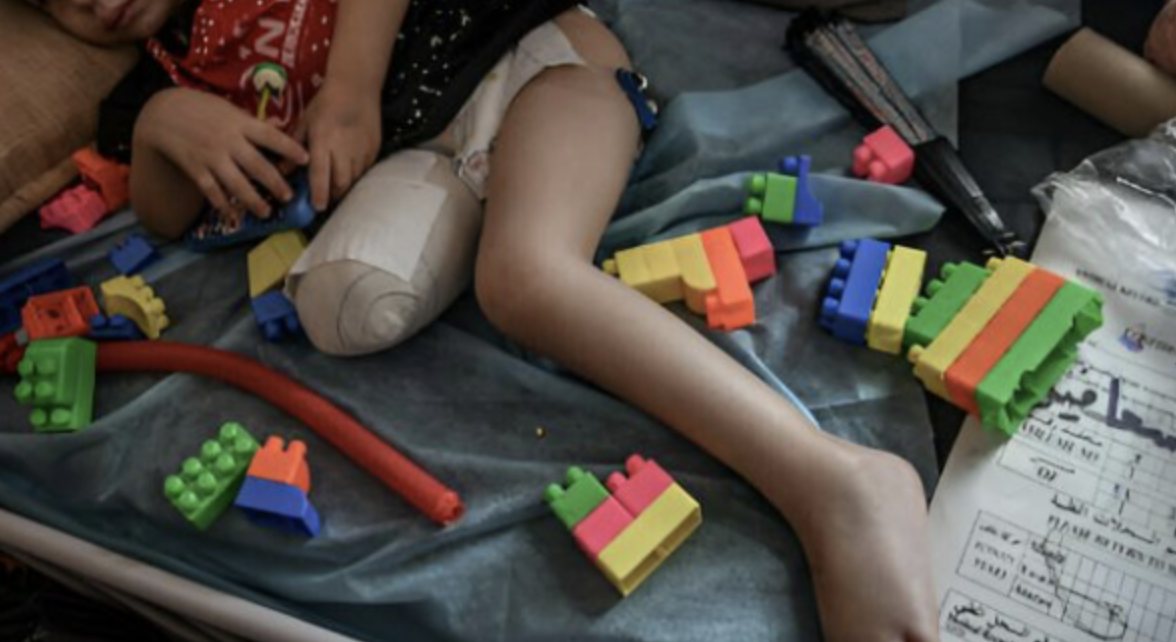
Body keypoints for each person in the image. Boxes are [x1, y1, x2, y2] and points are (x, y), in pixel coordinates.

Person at [35, 1, 939, 639]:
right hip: (424, 165)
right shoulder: (150, 84)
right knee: (343, 308)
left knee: (526, 280)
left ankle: (835, 482)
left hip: (534, 66)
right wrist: (163, 124)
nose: (100, 5)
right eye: (61, 4)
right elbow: (164, 215)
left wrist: (350, 89)